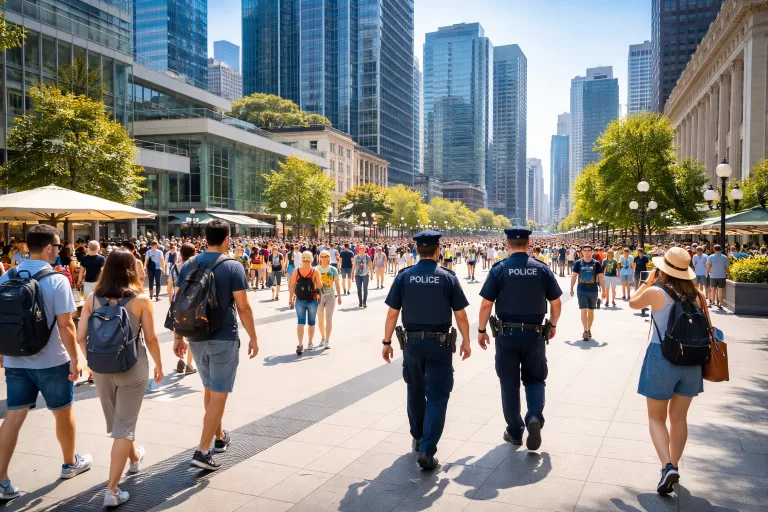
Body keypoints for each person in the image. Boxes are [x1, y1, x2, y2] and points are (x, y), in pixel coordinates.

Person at [0, 225, 92, 502]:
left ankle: (2, 479)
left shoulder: (8, 276)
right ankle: (69, 463)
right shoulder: (57, 279)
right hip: (52, 360)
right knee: (63, 412)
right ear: (50, 247)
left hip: (17, 358)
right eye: (58, 246)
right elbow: (66, 326)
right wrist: (77, 361)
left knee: (14, 415)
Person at [76, 249, 164, 507]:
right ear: (131, 269)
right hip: (133, 367)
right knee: (123, 427)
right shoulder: (141, 300)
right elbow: (150, 338)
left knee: (119, 423)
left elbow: (80, 336)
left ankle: (134, 459)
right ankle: (112, 490)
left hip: (101, 369)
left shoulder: (92, 298)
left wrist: (90, 363)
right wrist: (159, 364)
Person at [173, 220, 259, 471]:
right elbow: (243, 307)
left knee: (210, 390)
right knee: (219, 392)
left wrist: (178, 337)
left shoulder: (189, 263)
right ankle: (202, 450)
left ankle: (219, 437)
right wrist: (253, 337)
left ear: (205, 237)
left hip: (195, 335)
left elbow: (179, 301)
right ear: (226, 238)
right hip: (223, 335)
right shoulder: (232, 266)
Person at [382, 230, 471, 470]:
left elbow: (392, 313)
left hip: (411, 343)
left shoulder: (404, 276)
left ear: (416, 250)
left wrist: (386, 342)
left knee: (415, 389)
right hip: (440, 344)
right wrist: (466, 340)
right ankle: (428, 449)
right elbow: (460, 314)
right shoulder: (448, 277)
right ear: (438, 250)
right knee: (438, 394)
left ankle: (418, 436)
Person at [629, 247, 709, 495]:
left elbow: (633, 303)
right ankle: (673, 465)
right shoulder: (698, 295)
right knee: (679, 418)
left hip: (661, 357)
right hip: (692, 360)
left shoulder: (656, 292)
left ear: (663, 269)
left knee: (656, 417)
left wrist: (648, 282)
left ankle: (667, 466)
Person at [477, 226, 562, 450]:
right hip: (534, 334)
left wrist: (481, 330)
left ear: (507, 245)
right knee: (535, 379)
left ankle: (515, 431)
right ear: (529, 244)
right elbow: (556, 303)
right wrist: (552, 324)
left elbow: (486, 303)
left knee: (509, 383)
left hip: (506, 334)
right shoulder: (542, 269)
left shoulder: (500, 269)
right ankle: (534, 416)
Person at [170, 243, 197, 375]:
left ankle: (180, 360)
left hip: (177, 304)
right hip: (191, 303)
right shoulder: (194, 267)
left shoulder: (175, 267)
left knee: (179, 333)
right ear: (194, 254)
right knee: (191, 334)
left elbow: (169, 287)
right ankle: (189, 364)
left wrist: (172, 301)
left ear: (180, 254)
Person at [289, 251, 323, 354]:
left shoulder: (296, 270)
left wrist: (291, 298)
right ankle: (310, 343)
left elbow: (292, 285)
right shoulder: (315, 271)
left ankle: (300, 344)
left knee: (300, 322)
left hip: (299, 299)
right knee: (311, 322)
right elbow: (320, 285)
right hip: (312, 299)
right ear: (311, 259)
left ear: (301, 259)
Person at [570, 245, 605, 340]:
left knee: (591, 311)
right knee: (583, 310)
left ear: (592, 251)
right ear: (582, 252)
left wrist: (604, 290)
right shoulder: (578, 263)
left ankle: (589, 329)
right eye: (585, 251)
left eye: (589, 250)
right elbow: (574, 276)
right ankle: (585, 330)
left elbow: (601, 277)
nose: (587, 252)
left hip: (593, 290)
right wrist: (571, 288)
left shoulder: (596, 263)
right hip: (581, 289)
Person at [316, 250, 342, 349]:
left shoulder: (333, 269)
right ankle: (323, 337)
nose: (323, 258)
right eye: (321, 256)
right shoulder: (316, 269)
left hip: (330, 296)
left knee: (329, 318)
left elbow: (337, 284)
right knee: (320, 319)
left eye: (325, 256)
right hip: (319, 297)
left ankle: (327, 340)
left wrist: (339, 296)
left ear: (328, 258)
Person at [706, 244, 730, 309]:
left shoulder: (710, 257)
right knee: (720, 290)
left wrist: (707, 273)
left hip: (713, 275)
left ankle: (712, 302)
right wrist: (728, 274)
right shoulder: (725, 257)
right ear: (721, 250)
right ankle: (720, 303)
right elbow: (727, 267)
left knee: (712, 289)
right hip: (722, 275)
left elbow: (708, 266)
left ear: (713, 249)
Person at [353, 244, 373, 308]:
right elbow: (353, 266)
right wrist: (352, 274)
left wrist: (371, 274)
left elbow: (370, 266)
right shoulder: (356, 257)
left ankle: (364, 302)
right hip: (358, 275)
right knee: (359, 289)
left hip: (365, 275)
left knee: (365, 289)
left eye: (362, 249)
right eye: (360, 249)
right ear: (358, 250)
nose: (361, 250)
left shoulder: (367, 257)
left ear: (365, 250)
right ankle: (360, 302)